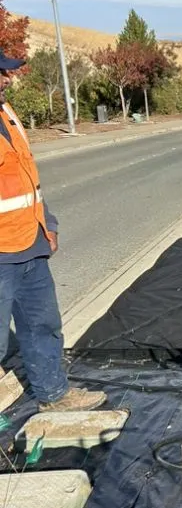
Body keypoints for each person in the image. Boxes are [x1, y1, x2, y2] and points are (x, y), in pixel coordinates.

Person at [0, 50, 106, 411]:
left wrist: (48, 222)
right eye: (0, 72)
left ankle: (53, 394)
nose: (7, 78)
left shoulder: (7, 112)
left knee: (42, 325)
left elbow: (25, 178)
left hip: (30, 242)